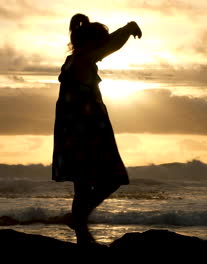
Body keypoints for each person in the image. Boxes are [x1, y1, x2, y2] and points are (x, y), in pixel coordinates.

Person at [52, 13, 142, 246]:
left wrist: (125, 29)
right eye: (99, 42)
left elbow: (107, 44)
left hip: (72, 131)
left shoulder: (74, 59)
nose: (103, 48)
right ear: (91, 43)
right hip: (89, 130)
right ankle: (79, 220)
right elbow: (110, 45)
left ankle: (82, 234)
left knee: (82, 184)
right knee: (112, 179)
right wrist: (127, 29)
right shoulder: (84, 60)